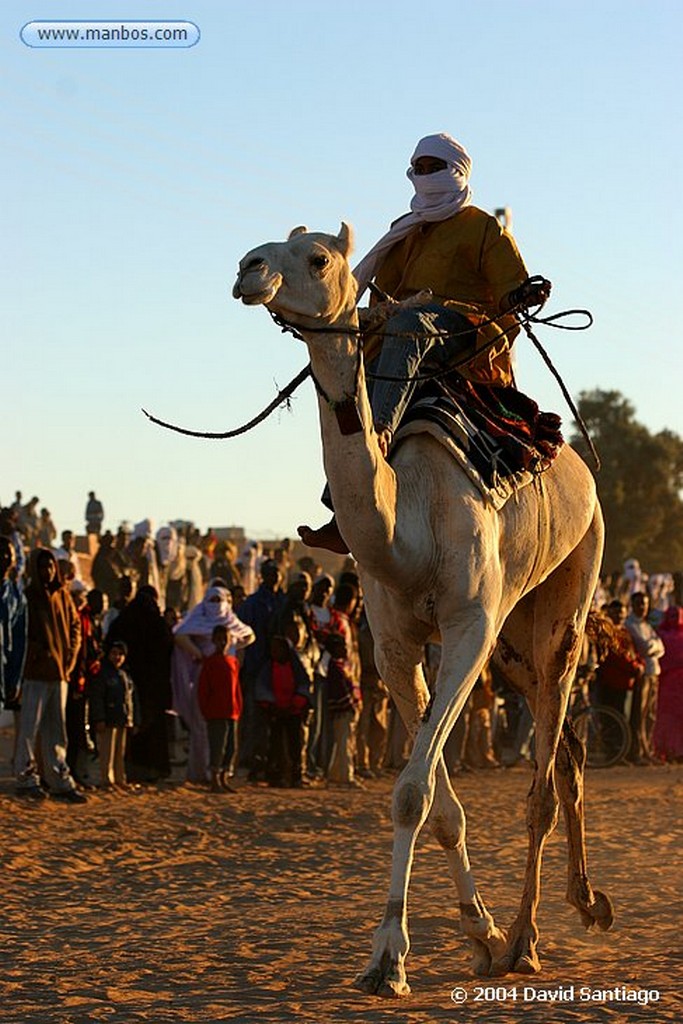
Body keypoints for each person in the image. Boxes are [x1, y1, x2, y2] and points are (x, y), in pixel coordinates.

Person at [299, 131, 551, 553]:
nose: (426, 175)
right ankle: (342, 510)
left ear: (457, 172)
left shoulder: (483, 228)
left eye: (435, 167)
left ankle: (379, 434)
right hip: (402, 327)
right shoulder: (404, 231)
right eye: (420, 168)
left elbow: (509, 285)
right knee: (350, 363)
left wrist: (522, 295)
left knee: (410, 325)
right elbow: (383, 293)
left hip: (465, 331)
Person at [14, 548, 86, 802]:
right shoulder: (28, 597)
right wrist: (37, 653)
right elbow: (20, 633)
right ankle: (26, 778)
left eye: (51, 566)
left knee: (56, 730)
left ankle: (59, 781)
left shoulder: (63, 596)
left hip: (60, 673)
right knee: (28, 730)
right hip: (35, 673)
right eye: (43, 567)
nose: (48, 571)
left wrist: (71, 655)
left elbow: (75, 626)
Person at [172, 584, 254, 783]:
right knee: (202, 725)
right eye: (213, 600)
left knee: (228, 728)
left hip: (228, 674)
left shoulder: (231, 621)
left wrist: (234, 648)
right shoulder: (198, 620)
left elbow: (250, 635)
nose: (216, 605)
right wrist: (199, 654)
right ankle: (203, 771)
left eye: (220, 600)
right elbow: (180, 636)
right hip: (206, 675)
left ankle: (221, 773)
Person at [107, 585, 174, 781]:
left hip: (129, 681)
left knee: (133, 725)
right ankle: (153, 770)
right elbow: (167, 651)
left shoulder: (124, 620)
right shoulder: (158, 623)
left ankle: (129, 769)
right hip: (154, 684)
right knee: (152, 726)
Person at [254, 634, 313, 787]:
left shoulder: (295, 667)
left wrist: (296, 703)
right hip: (276, 713)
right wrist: (272, 706)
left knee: (295, 745)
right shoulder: (268, 667)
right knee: (276, 745)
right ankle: (276, 776)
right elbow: (262, 689)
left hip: (293, 712)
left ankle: (296, 776)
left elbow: (303, 685)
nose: (275, 652)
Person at [197, 623, 243, 792]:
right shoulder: (210, 663)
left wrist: (238, 707)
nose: (223, 642)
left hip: (232, 711)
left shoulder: (233, 661)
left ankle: (224, 778)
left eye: (226, 639)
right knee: (218, 746)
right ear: (213, 641)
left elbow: (236, 687)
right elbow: (203, 689)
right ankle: (214, 780)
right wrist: (206, 709)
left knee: (231, 747)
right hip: (216, 711)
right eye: (219, 639)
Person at [89, 640, 139, 789]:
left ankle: (119, 778)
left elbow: (131, 699)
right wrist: (99, 718)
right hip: (108, 719)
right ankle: (107, 779)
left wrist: (133, 719)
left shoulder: (124, 675)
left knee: (119, 752)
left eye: (121, 654)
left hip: (122, 719)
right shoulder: (103, 674)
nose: (117, 657)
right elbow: (97, 698)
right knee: (107, 752)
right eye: (114, 653)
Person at [625, 591, 665, 764]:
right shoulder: (630, 624)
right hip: (644, 674)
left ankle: (647, 750)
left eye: (645, 603)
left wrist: (653, 646)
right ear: (633, 605)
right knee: (639, 716)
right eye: (640, 603)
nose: (643, 607)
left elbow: (660, 647)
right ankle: (638, 752)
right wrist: (653, 646)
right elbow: (645, 648)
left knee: (650, 715)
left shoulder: (646, 625)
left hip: (654, 672)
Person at [652, 605, 683, 762]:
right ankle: (667, 750)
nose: (675, 618)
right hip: (667, 683)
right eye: (672, 615)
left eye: (677, 615)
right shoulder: (660, 635)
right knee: (666, 718)